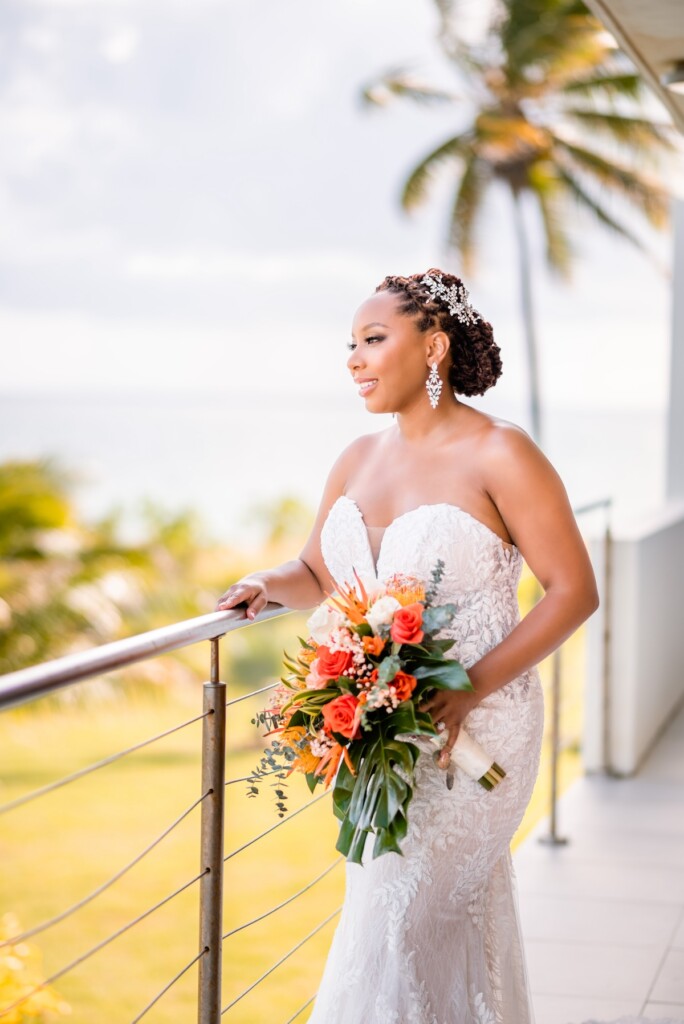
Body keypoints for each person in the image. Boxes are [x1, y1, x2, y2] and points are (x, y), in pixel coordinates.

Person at [216, 269, 599, 1023]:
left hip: (480, 723)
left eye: (372, 340)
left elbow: (573, 591)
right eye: (350, 345)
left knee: (404, 922)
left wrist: (469, 689)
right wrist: (266, 583)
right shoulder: (357, 457)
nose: (354, 359)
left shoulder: (501, 453)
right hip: (384, 725)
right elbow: (318, 573)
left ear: (434, 347)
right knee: (401, 919)